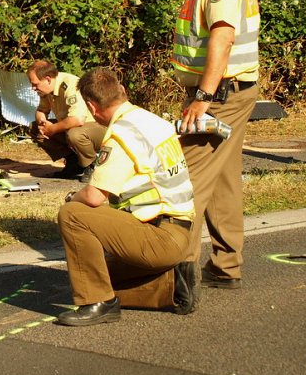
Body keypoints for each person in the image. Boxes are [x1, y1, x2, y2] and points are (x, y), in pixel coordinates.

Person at [56, 68, 199, 327]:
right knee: (98, 273)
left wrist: (70, 197)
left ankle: (97, 303)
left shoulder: (122, 134)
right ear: (122, 90)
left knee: (73, 216)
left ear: (91, 106)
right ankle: (171, 284)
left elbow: (93, 197)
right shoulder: (152, 120)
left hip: (159, 236)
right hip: (180, 232)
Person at [171, 0, 260, 290]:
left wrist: (203, 97)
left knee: (189, 179)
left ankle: (179, 271)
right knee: (223, 179)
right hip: (234, 91)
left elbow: (222, 37)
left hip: (220, 94)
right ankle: (226, 265)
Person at [27, 60, 105, 179]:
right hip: (78, 129)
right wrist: (42, 123)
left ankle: (92, 165)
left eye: (35, 84)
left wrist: (52, 129)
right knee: (35, 128)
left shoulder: (71, 85)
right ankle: (73, 162)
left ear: (48, 79)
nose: (33, 88)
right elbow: (41, 110)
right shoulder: (47, 89)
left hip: (97, 128)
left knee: (75, 133)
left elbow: (78, 119)